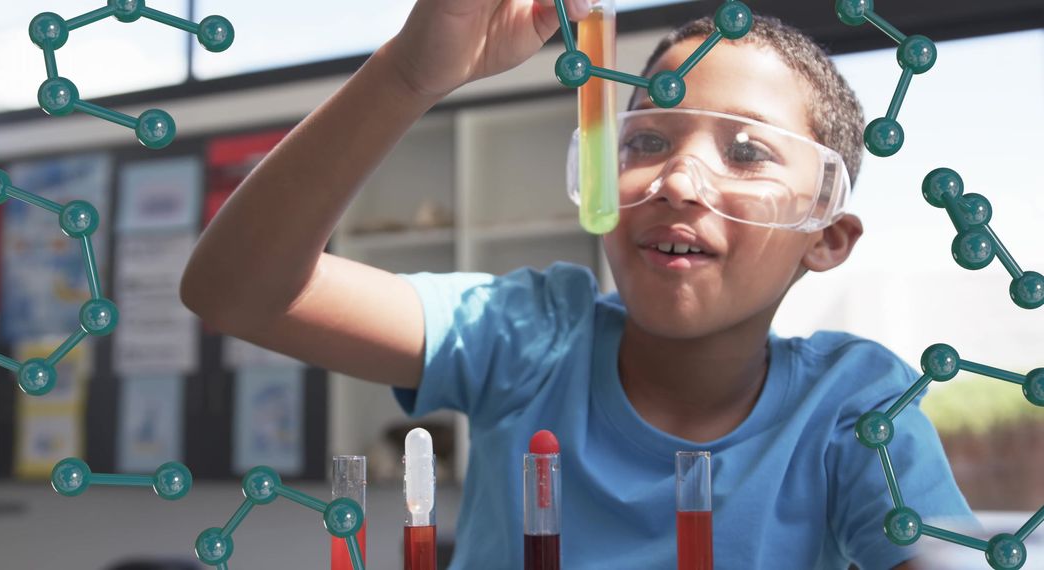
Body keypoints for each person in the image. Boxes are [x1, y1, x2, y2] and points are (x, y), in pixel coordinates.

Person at [180, 0, 973, 567]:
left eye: (746, 153)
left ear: (825, 237)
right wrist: (407, 75)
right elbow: (237, 291)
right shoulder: (529, 334)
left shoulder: (855, 407)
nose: (680, 180)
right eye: (650, 140)